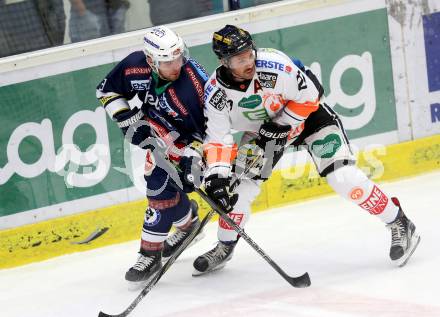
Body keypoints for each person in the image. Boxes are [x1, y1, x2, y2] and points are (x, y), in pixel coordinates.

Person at [186, 25, 420, 275]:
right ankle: (225, 245)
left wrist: (281, 124)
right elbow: (219, 140)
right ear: (224, 61)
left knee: (343, 178)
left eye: (249, 53)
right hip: (262, 136)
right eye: (240, 59)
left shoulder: (274, 65)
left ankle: (399, 221)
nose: (249, 61)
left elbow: (311, 95)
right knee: (237, 191)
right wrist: (217, 177)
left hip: (308, 119)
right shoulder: (215, 94)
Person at [96, 25, 209, 284]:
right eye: (167, 62)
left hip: (195, 142)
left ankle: (155, 249)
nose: (175, 66)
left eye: (178, 58)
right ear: (150, 60)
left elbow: (216, 125)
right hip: (159, 134)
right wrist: (127, 119)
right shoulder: (134, 67)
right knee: (159, 188)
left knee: (162, 189)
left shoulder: (194, 83)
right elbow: (106, 91)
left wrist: (195, 157)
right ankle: (184, 227)